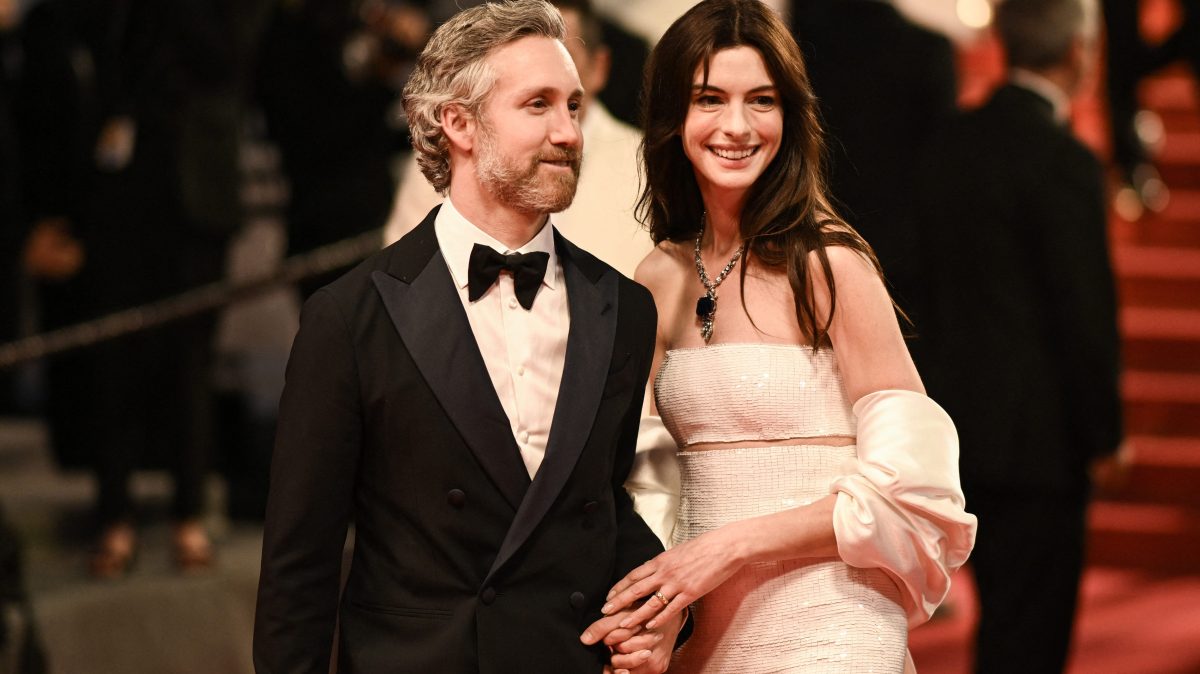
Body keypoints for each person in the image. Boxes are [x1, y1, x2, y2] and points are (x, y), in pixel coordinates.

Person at [253, 2, 686, 672]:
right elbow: (298, 572)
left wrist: (666, 608)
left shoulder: (623, 308)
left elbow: (593, 509)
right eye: (537, 105)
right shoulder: (349, 317)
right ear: (458, 122)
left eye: (573, 105)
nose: (570, 132)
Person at [581, 1, 978, 671]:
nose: (737, 126)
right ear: (676, 116)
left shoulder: (830, 266)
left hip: (834, 622)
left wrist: (730, 545)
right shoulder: (660, 277)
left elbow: (916, 487)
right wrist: (659, 614)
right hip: (704, 629)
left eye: (760, 101)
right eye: (711, 99)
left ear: (789, 118)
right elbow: (644, 479)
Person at [913, 0, 1124, 671]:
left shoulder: (943, 144)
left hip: (952, 427)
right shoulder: (1065, 161)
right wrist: (1106, 433)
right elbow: (1082, 312)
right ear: (1080, 54)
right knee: (1030, 635)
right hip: (1041, 445)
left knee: (999, 615)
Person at [383, 0, 651, 278]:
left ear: (598, 68)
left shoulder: (649, 166)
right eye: (526, 58)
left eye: (562, 58)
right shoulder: (447, 151)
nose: (542, 73)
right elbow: (402, 285)